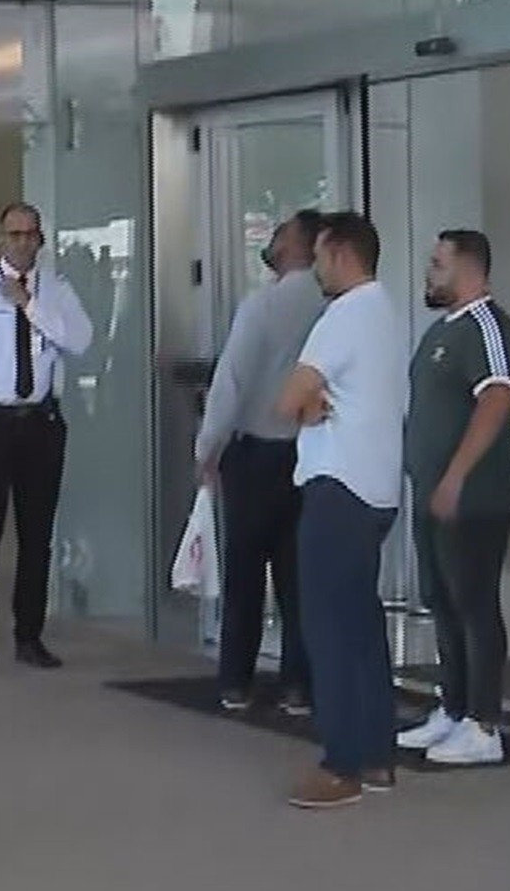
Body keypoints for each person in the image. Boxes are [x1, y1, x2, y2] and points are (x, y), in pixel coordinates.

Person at [275, 211, 411, 810]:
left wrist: (306, 408)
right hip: (376, 489)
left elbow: (288, 398)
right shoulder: (386, 312)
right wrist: (314, 405)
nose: (316, 269)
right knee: (361, 625)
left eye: (321, 256)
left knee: (327, 628)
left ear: (341, 255)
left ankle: (341, 764)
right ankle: (377, 754)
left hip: (336, 487)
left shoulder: (342, 315)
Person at [0, 201, 97, 677]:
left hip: (41, 424)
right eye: (15, 234)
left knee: (37, 536)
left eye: (31, 234)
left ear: (40, 239)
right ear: (1, 239)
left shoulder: (56, 290)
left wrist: (30, 306)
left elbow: (80, 340)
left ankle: (29, 635)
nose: (24, 242)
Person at [396, 228, 510, 768]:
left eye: (438, 264)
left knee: (473, 603)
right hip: (430, 495)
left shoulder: (487, 327)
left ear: (469, 269)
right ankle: (452, 707)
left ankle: (483, 722)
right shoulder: (437, 334)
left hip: (475, 497)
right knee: (441, 600)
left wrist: (456, 475)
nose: (430, 272)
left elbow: (498, 396)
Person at [195, 208, 328, 714]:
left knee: (246, 573)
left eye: (281, 234)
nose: (272, 241)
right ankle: (298, 684)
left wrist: (208, 445)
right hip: (309, 451)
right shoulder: (329, 306)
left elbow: (232, 380)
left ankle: (237, 680)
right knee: (298, 576)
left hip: (255, 453)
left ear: (298, 247)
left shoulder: (263, 306)